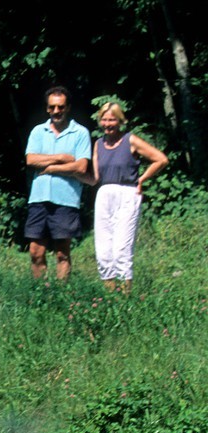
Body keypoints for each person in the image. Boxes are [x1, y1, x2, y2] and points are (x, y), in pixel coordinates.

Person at [84, 101, 169, 292]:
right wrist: (73, 172)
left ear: (120, 121)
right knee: (104, 250)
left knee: (122, 248)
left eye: (112, 120)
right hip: (104, 195)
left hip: (127, 194)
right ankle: (110, 298)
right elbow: (95, 177)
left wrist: (143, 178)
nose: (108, 124)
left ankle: (125, 300)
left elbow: (161, 159)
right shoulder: (98, 144)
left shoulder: (130, 140)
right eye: (104, 120)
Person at [24, 86, 92, 280]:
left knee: (62, 252)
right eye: (52, 107)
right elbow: (30, 160)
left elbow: (80, 167)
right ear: (47, 109)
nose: (56, 111)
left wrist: (50, 168)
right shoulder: (38, 131)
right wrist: (62, 157)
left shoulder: (80, 133)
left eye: (60, 107)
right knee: (36, 252)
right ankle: (42, 295)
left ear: (68, 107)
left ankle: (61, 297)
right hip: (38, 199)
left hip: (66, 200)